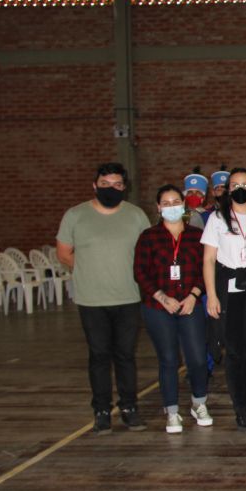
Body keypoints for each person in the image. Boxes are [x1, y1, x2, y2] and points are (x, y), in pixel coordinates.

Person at [57, 162, 151, 434]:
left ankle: (129, 407)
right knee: (99, 356)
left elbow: (146, 252)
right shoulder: (75, 215)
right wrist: (91, 270)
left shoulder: (135, 215)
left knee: (125, 355)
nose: (111, 189)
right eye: (105, 184)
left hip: (128, 297)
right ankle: (101, 410)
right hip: (92, 300)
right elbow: (64, 253)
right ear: (95, 185)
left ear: (124, 187)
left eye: (117, 184)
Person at [134, 184, 211, 433]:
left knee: (197, 358)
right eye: (166, 203)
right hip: (158, 307)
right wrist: (162, 297)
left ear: (183, 205)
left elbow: (205, 270)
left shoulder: (197, 236)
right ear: (158, 208)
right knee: (168, 359)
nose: (171, 207)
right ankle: (172, 411)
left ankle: (199, 403)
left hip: (190, 305)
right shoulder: (148, 237)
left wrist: (194, 295)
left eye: (176, 202)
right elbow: (140, 272)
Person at [202, 167, 246, 431]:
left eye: (245, 184)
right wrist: (211, 295)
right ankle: (239, 407)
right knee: (234, 352)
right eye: (234, 185)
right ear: (228, 189)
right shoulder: (217, 218)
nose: (240, 189)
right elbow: (209, 259)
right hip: (229, 291)